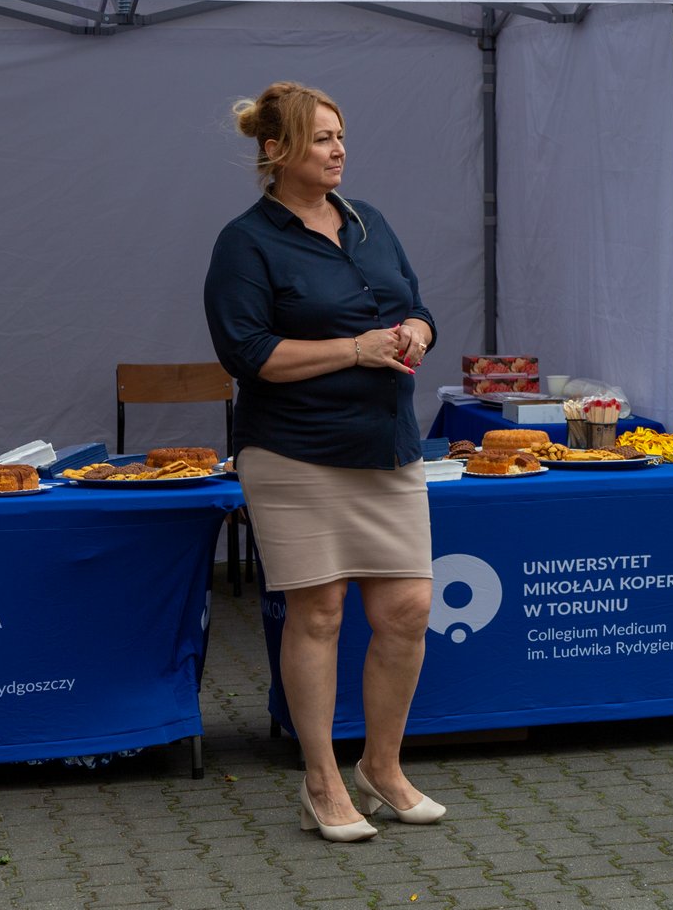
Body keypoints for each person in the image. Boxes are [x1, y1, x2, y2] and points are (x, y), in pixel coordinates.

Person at [204, 82, 444, 842]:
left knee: (408, 610)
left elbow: (417, 305)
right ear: (276, 151)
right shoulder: (246, 242)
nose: (339, 150)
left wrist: (416, 332)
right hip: (294, 451)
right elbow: (247, 353)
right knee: (320, 613)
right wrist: (355, 348)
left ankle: (382, 767)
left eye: (341, 136)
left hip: (387, 445)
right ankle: (321, 782)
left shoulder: (368, 220)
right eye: (321, 139)